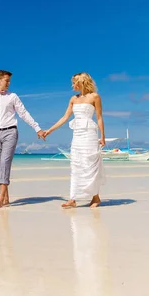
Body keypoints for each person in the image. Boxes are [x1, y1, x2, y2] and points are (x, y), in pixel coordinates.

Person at [0, 70, 45, 208]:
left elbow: (23, 113)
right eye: (6, 81)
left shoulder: (13, 96)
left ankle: (0, 197)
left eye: (9, 81)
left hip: (10, 132)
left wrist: (37, 128)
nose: (8, 83)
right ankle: (6, 198)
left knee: (5, 162)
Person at [42, 72, 105, 208]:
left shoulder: (95, 97)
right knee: (76, 165)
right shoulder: (73, 99)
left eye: (74, 82)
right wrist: (49, 130)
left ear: (81, 82)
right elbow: (64, 118)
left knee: (90, 165)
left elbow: (99, 117)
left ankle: (95, 197)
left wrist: (102, 137)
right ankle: (73, 198)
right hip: (77, 136)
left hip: (89, 135)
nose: (72, 85)